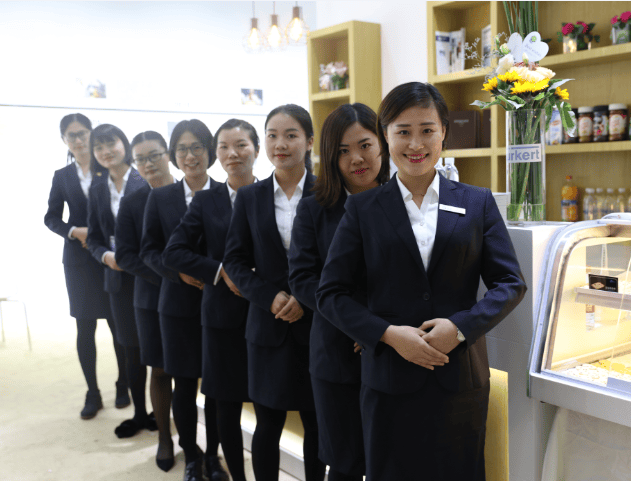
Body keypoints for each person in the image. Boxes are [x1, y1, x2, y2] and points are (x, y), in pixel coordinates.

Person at [316, 82, 527, 481]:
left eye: (427, 130)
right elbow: (330, 294)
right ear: (386, 135)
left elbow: (510, 283)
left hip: (459, 378)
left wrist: (460, 327)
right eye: (403, 131)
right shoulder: (363, 208)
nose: (415, 144)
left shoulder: (476, 202)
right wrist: (388, 334)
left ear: (444, 131)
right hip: (388, 380)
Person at [222, 104, 325, 481]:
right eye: (272, 135)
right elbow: (234, 261)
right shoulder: (250, 197)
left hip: (317, 327)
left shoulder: (328, 192)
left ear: (309, 141)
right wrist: (269, 297)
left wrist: (304, 298)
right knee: (267, 425)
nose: (280, 144)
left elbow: (340, 260)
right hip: (267, 327)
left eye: (291, 135)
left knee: (317, 426)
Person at [289, 103, 388, 481]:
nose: (356, 159)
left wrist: (379, 326)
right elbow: (302, 279)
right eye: (343, 151)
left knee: (391, 460)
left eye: (364, 145)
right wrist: (359, 323)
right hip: (336, 351)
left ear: (382, 144)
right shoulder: (314, 208)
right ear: (330, 157)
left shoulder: (404, 200)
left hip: (395, 350)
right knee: (345, 463)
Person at [163, 119, 259, 481]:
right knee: (225, 404)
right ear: (217, 153)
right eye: (224, 146)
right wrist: (220, 271)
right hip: (221, 317)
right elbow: (173, 252)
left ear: (256, 149)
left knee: (268, 407)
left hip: (268, 313)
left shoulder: (270, 193)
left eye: (241, 145)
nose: (232, 153)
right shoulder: (206, 200)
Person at [140, 119, 227, 481]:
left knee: (218, 388)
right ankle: (191, 456)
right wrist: (180, 274)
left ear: (210, 151)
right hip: (176, 306)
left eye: (197, 147)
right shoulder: (160, 197)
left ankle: (214, 456)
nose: (190, 156)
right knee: (184, 385)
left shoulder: (227, 193)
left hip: (221, 305)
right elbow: (148, 251)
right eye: (182, 149)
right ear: (174, 155)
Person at [44, 113, 125, 420]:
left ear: (91, 134)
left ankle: (123, 383)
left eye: (82, 133)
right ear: (64, 139)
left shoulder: (109, 168)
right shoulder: (62, 176)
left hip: (111, 257)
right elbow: (51, 217)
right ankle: (92, 392)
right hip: (78, 261)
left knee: (118, 324)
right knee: (85, 327)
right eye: (71, 135)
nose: (78, 140)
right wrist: (72, 231)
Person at [85, 123, 154, 440]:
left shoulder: (145, 179)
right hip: (117, 279)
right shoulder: (97, 188)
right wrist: (105, 256)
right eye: (98, 147)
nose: (105, 151)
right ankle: (139, 413)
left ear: (123, 144)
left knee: (158, 348)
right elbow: (94, 238)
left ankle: (161, 412)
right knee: (130, 349)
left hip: (150, 275)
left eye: (110, 143)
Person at [115, 131, 175, 471]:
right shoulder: (133, 201)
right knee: (160, 368)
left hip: (196, 295)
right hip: (151, 297)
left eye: (154, 155)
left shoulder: (191, 191)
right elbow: (125, 254)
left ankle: (204, 444)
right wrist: (169, 276)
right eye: (140, 159)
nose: (148, 163)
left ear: (168, 154)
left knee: (196, 370)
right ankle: (165, 438)